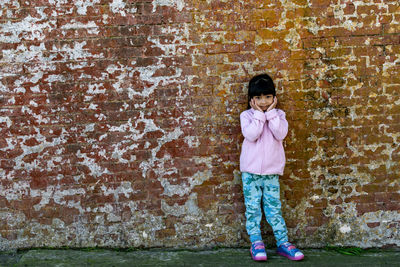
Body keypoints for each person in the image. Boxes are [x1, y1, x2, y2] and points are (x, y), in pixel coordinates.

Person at [239, 73, 304, 262]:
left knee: (274, 208)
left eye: (267, 97)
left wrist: (271, 114)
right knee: (252, 209)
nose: (264, 101)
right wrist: (259, 115)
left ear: (274, 98)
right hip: (250, 173)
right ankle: (256, 243)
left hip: (271, 173)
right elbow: (251, 135)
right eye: (258, 97)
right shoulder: (247, 116)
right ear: (251, 99)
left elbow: (280, 133)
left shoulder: (279, 115)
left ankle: (283, 243)